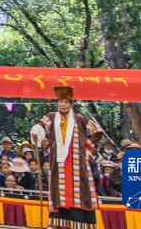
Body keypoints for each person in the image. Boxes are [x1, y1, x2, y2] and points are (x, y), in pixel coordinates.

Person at [30, 85, 103, 229]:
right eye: (61, 101)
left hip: (78, 161)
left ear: (71, 104)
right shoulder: (51, 117)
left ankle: (81, 224)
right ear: (57, 103)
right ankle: (56, 224)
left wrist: (87, 144)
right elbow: (41, 124)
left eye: (66, 102)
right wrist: (36, 130)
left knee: (81, 190)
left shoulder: (80, 119)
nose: (63, 104)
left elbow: (97, 131)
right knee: (58, 191)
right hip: (58, 162)